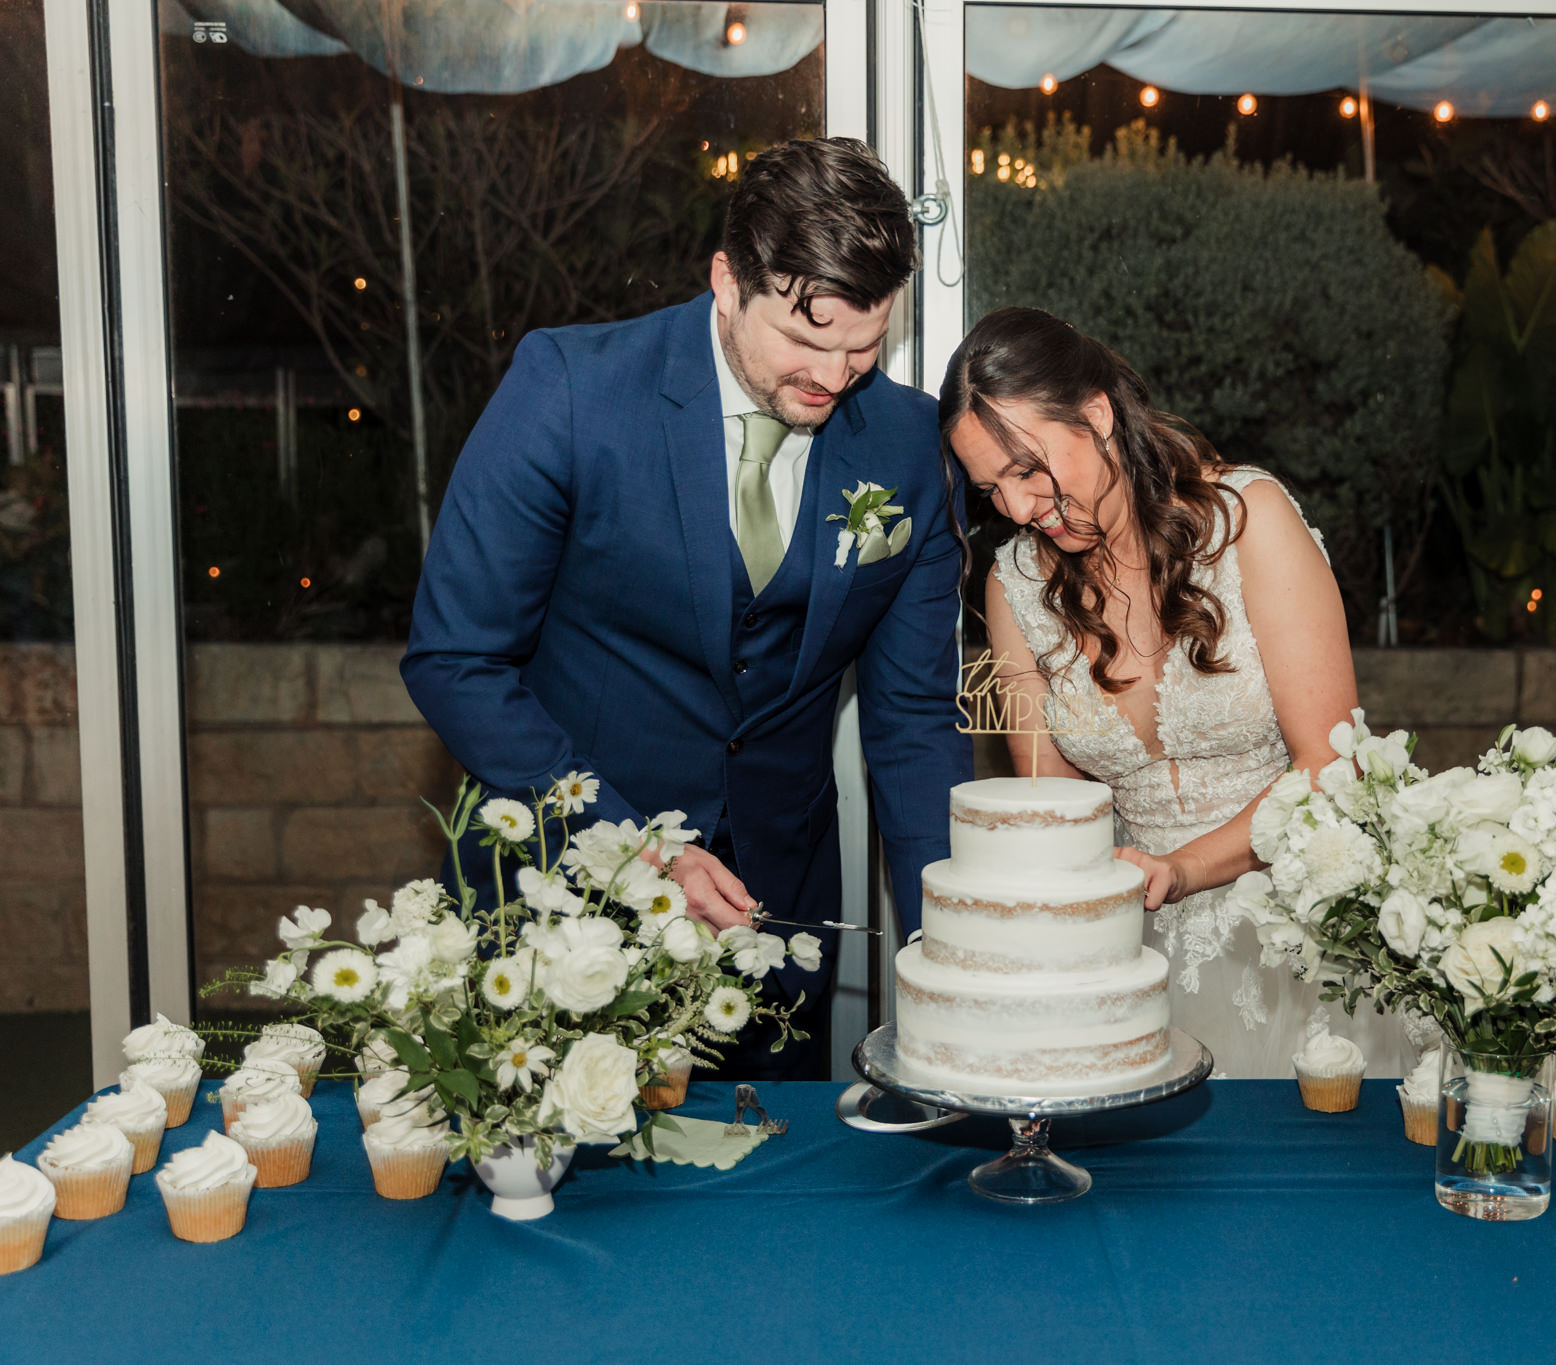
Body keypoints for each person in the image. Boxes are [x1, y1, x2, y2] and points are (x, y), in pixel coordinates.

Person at [402, 138, 972, 1080]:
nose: (833, 376)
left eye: (862, 347)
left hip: (776, 922)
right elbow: (455, 660)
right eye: (805, 337)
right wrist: (636, 850)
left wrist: (949, 957)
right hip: (564, 908)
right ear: (726, 280)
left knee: (764, 1209)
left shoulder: (911, 447)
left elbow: (912, 724)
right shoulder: (571, 393)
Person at [940, 306, 1400, 1078]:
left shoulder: (1248, 522)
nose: (1017, 509)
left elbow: (1332, 765)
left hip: (1297, 925)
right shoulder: (1011, 585)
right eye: (992, 489)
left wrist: (1182, 868)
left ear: (1097, 414)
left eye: (1027, 469)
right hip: (1130, 953)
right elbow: (1051, 805)